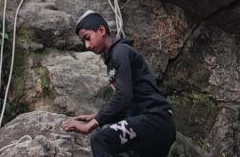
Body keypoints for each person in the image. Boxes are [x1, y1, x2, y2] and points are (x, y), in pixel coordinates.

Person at [62, 11, 176, 157]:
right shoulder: (113, 59)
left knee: (100, 140)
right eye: (84, 42)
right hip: (154, 125)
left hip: (154, 120)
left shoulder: (120, 52)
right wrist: (99, 116)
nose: (87, 45)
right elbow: (129, 102)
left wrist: (93, 123)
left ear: (101, 30)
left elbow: (124, 97)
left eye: (87, 38)